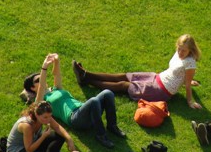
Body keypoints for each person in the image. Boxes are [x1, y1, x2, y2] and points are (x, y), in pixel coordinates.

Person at [23, 54, 126, 150]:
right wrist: (44, 67)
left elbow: (57, 74)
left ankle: (112, 126)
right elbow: (42, 85)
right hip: (75, 118)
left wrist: (56, 61)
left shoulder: (55, 89)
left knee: (108, 93)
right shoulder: (41, 101)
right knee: (94, 101)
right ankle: (101, 135)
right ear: (32, 88)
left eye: (41, 78)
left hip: (85, 110)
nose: (42, 79)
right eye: (38, 80)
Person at [72, 34, 202, 110]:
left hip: (162, 91)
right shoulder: (179, 53)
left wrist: (190, 101)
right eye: (179, 48)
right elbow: (179, 74)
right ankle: (86, 74)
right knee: (124, 76)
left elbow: (187, 84)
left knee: (124, 85)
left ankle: (86, 80)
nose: (180, 52)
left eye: (183, 51)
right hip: (156, 77)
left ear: (190, 50)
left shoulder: (190, 63)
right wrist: (186, 80)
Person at [7, 100, 76, 152]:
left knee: (60, 136)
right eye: (45, 117)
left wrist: (69, 139)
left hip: (33, 141)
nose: (48, 119)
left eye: (50, 116)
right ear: (36, 114)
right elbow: (29, 150)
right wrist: (44, 136)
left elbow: (57, 127)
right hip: (18, 150)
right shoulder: (27, 126)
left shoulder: (44, 116)